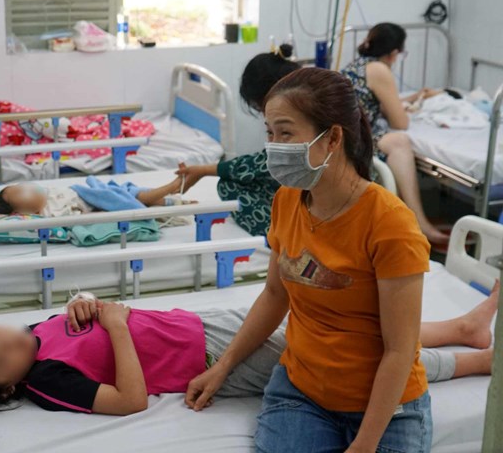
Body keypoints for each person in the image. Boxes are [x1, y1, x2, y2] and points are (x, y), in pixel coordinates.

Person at [185, 67, 434, 452]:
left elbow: (399, 351)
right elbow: (273, 295)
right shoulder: (286, 200)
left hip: (385, 404)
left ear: (333, 137)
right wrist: (222, 367)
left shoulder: (389, 223)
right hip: (302, 393)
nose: (273, 145)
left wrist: (365, 445)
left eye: (286, 133)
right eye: (269, 133)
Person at [0, 285, 497, 416]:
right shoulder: (46, 382)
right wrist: (117, 327)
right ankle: (475, 362)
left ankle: (461, 326)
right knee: (342, 355)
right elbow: (131, 400)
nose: (6, 342)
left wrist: (84, 298)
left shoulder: (33, 331)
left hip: (197, 323)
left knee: (338, 325)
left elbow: (81, 320)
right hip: (206, 361)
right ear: (7, 386)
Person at [341, 22, 449, 245]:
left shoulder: (359, 65)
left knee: (396, 140)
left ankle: (410, 224)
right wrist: (404, 109)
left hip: (346, 132)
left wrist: (414, 97)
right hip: (356, 138)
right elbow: (400, 122)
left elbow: (372, 102)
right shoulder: (379, 69)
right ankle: (419, 222)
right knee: (399, 141)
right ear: (393, 53)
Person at [177, 51, 300, 236]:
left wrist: (203, 171)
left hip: (308, 191)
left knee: (230, 184)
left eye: (260, 108)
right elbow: (263, 160)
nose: (262, 114)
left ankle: (280, 235)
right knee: (229, 185)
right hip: (292, 185)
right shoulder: (296, 104)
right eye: (269, 131)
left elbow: (263, 163)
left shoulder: (300, 114)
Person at [0, 174, 192, 217]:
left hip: (93, 191)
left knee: (129, 191)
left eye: (19, 186)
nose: (26, 189)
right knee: (128, 197)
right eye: (19, 194)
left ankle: (169, 198)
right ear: (20, 211)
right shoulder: (47, 215)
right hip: (97, 201)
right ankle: (171, 189)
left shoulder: (47, 193)